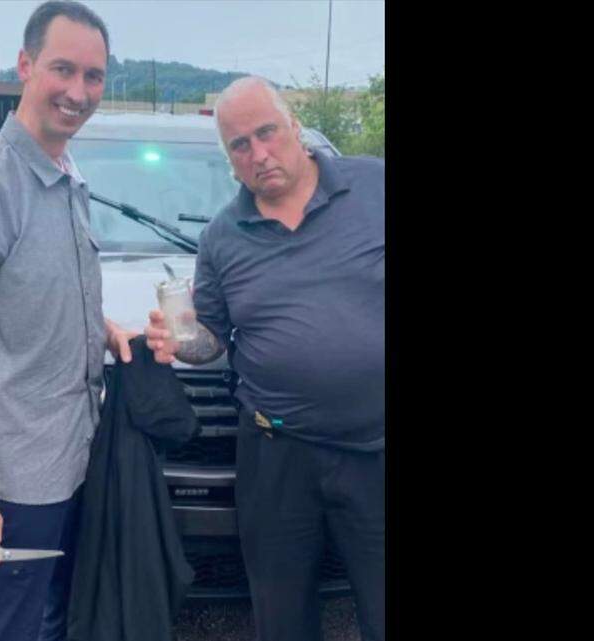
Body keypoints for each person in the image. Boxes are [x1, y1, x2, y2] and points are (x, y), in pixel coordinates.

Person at [144, 76, 386, 641]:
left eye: (266, 133)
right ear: (229, 158)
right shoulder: (223, 237)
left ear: (294, 125)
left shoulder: (373, 187)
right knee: (281, 620)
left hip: (374, 450)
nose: (259, 154)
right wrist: (181, 344)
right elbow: (212, 340)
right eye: (240, 145)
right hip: (275, 458)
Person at [0, 3, 135, 640]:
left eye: (94, 76)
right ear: (25, 66)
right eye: (63, 69)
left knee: (50, 616)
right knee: (10, 625)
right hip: (14, 480)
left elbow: (36, 290)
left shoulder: (68, 174)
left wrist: (103, 328)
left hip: (72, 456)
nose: (78, 92)